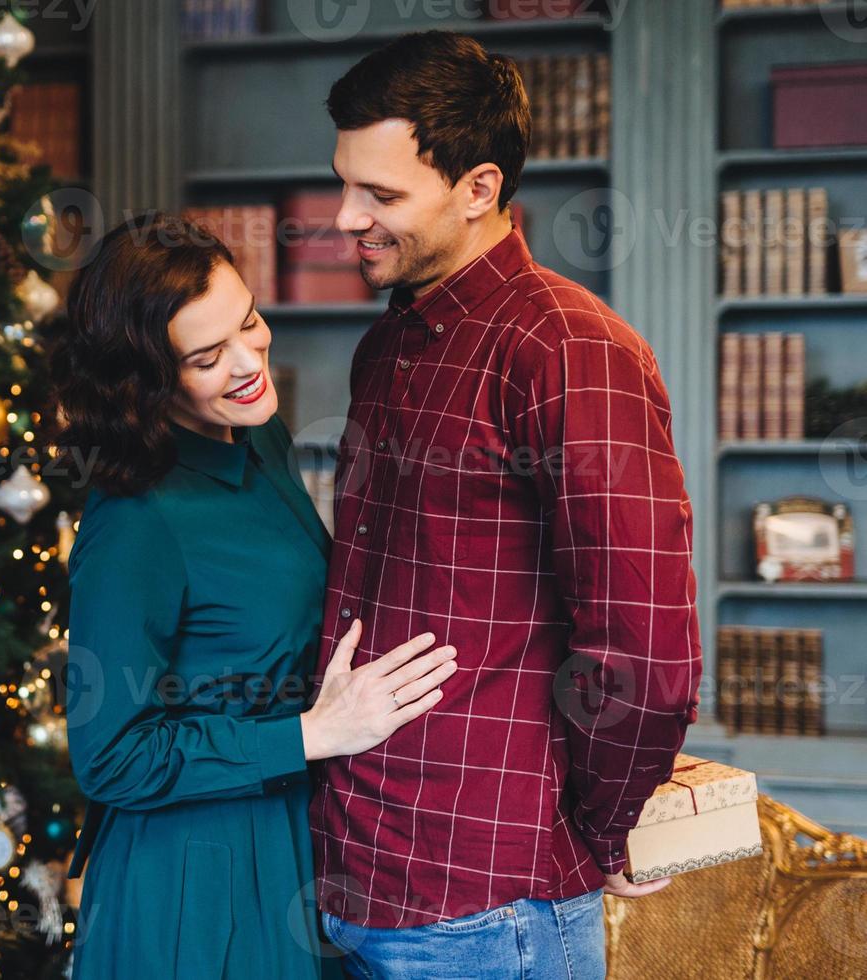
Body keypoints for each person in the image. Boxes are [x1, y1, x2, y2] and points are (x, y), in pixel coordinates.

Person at [309, 31, 704, 980]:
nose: (344, 217)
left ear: (478, 188)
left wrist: (601, 836)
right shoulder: (387, 345)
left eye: (382, 195)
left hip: (492, 902)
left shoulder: (569, 346)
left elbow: (646, 646)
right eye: (346, 183)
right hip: (356, 870)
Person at [49, 212, 458, 979]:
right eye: (207, 357)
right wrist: (307, 735)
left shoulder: (256, 433)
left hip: (294, 840)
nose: (248, 362)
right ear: (148, 379)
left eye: (249, 323)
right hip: (190, 879)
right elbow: (108, 759)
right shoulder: (135, 521)